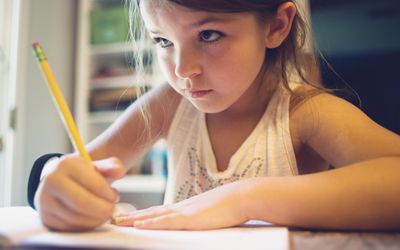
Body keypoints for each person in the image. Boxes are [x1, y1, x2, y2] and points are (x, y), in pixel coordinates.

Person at [29, 0, 400, 232]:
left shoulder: (305, 112)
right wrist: (55, 181)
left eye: (208, 34)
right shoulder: (168, 103)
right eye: (163, 41)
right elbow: (75, 167)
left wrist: (246, 198)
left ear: (276, 26)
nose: (182, 69)